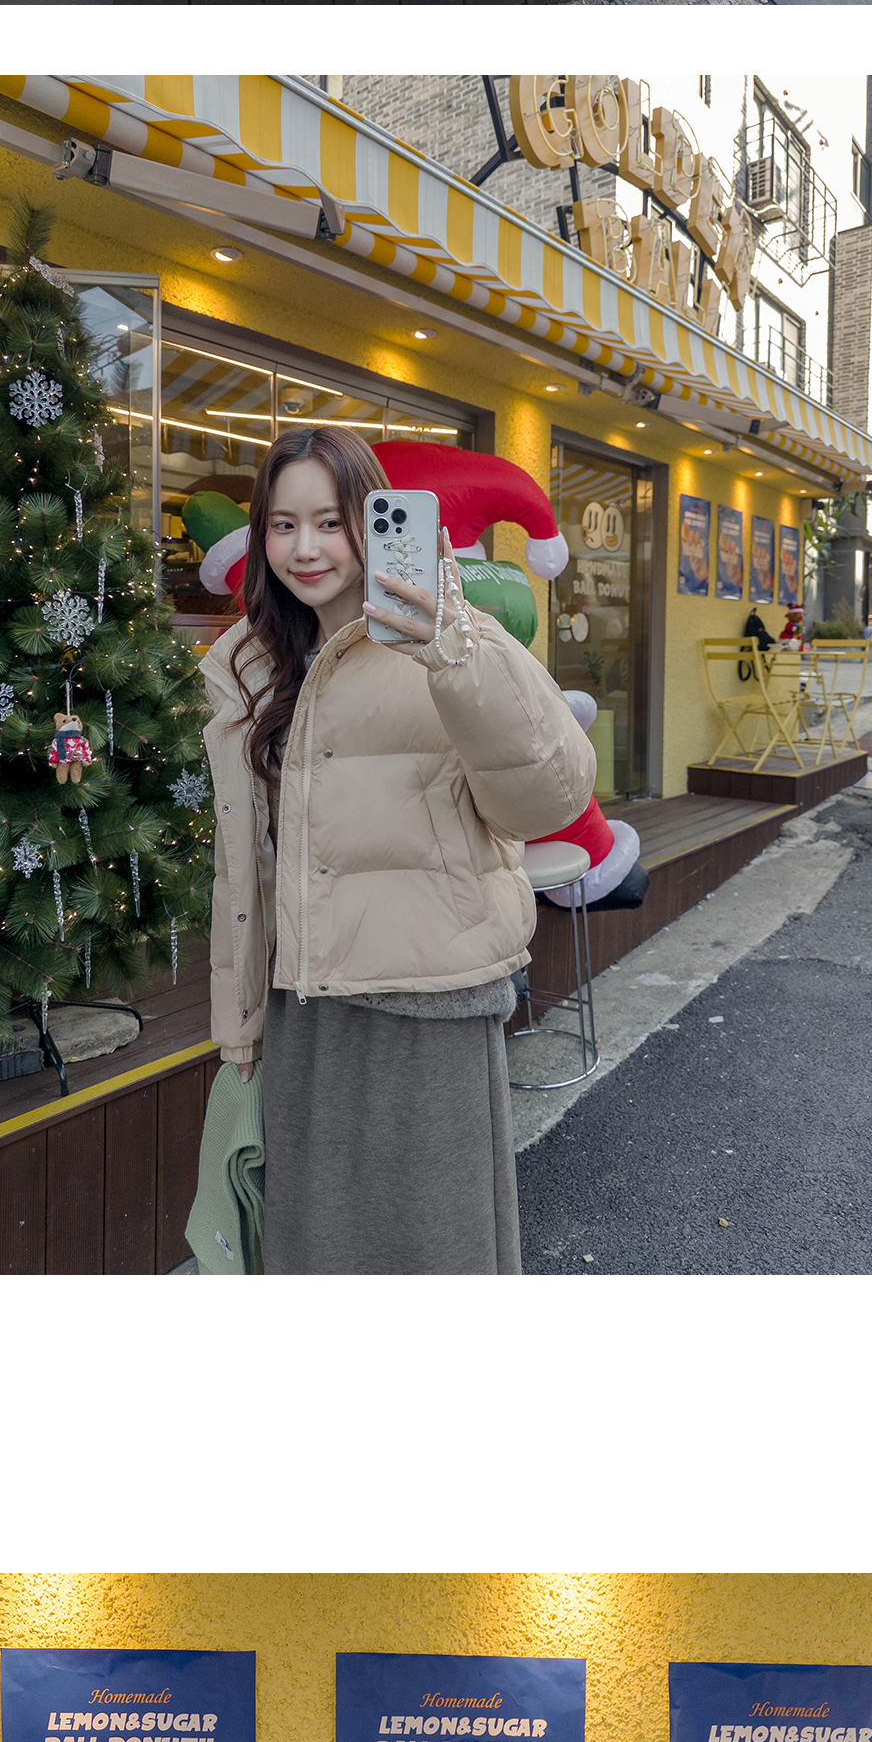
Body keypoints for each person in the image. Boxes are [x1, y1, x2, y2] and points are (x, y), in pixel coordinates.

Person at [201, 422, 596, 1276]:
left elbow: (549, 797)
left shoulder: (457, 639)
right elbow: (244, 868)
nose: (305, 549)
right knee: (315, 1256)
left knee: (430, 1256)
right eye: (282, 524)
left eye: (330, 522)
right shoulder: (252, 667)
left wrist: (454, 649)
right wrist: (241, 1030)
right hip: (306, 1008)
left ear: (375, 519)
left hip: (426, 1009)